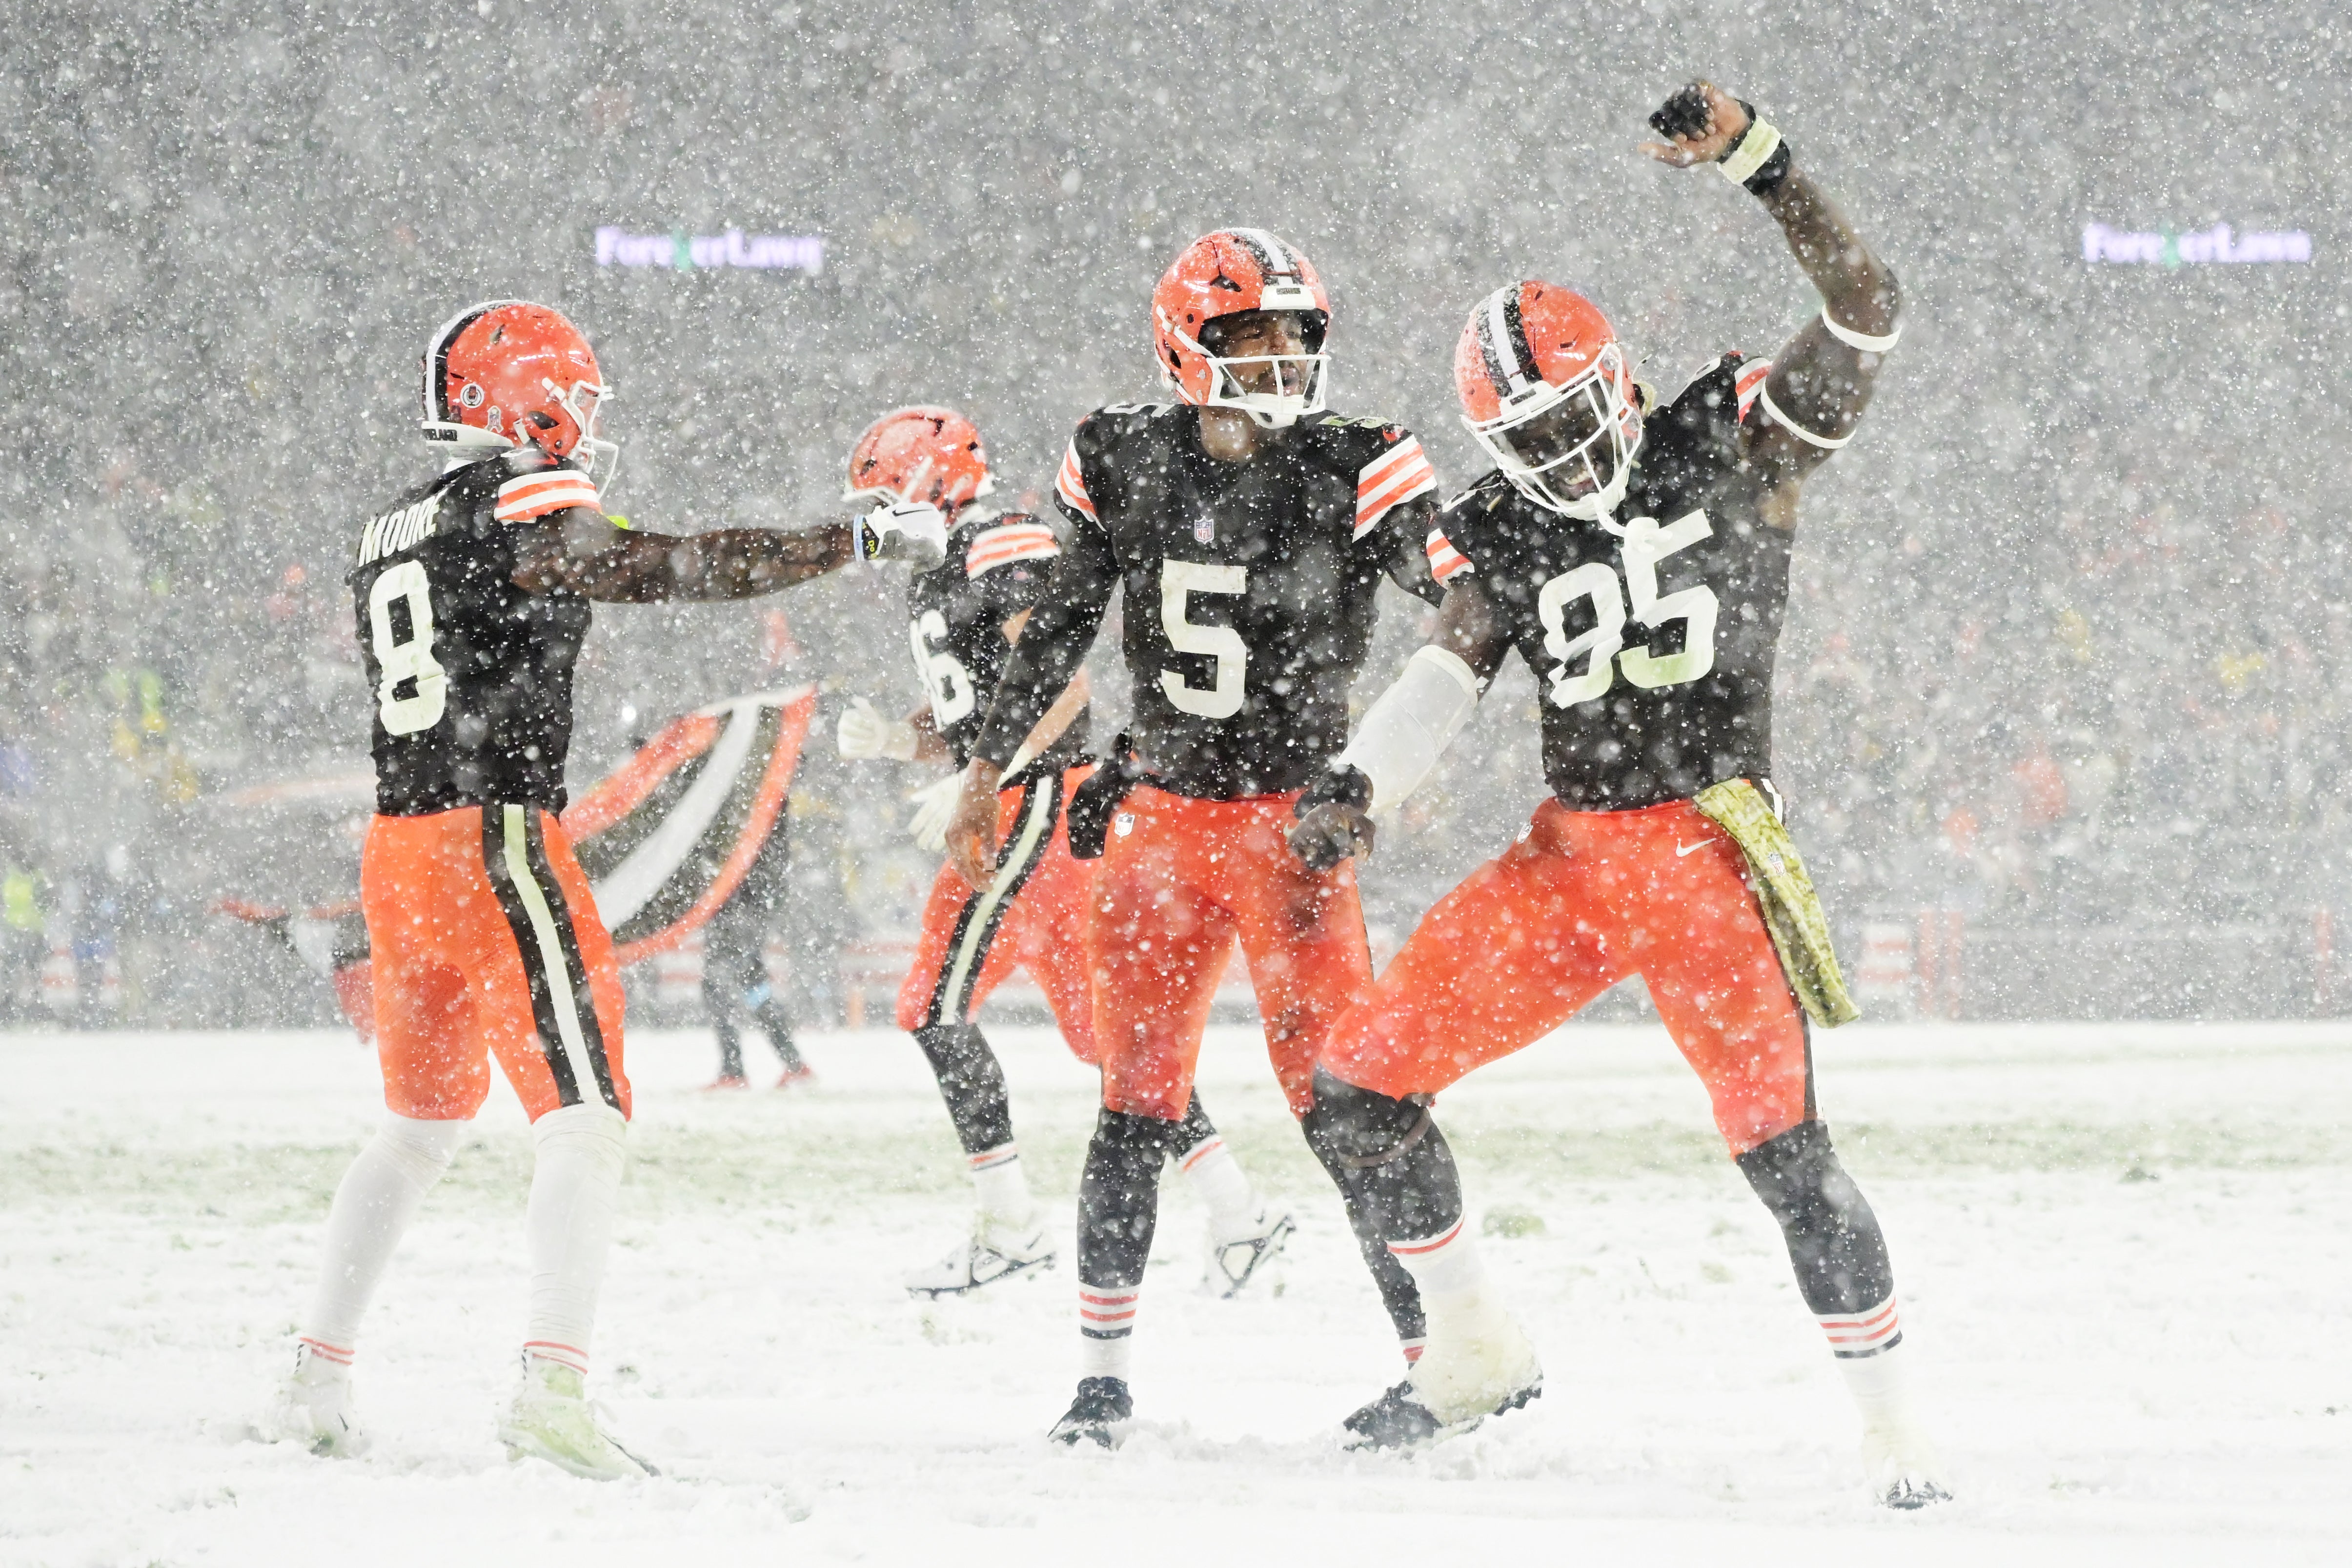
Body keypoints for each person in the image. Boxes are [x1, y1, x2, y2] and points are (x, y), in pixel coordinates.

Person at [1284, 83, 1945, 1506]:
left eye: (1580, 417)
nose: (1569, 455)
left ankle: (1899, 1443)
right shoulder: (1502, 526)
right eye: (1533, 437)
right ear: (1497, 449)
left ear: (1626, 380)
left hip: (1704, 847)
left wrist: (1766, 170)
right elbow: (1452, 667)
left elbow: (1867, 307)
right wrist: (1358, 781)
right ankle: (1472, 1352)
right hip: (1570, 860)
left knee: (1785, 1155)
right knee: (1354, 1089)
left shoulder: (1731, 433)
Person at [267, 300, 899, 1478]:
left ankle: (315, 1374)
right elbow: (663, 568)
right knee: (586, 1113)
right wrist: (843, 543)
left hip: (399, 847)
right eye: (575, 398)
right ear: (518, 397)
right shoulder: (516, 496)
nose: (586, 426)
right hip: (493, 842)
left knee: (415, 1131)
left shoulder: (386, 525)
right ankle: (551, 1386)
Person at [940, 230, 1445, 1445]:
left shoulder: (1357, 457)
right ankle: (1102, 1374)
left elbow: (1451, 582)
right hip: (1160, 823)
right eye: (1251, 336)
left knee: (1347, 1103)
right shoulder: (1120, 451)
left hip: (1289, 833)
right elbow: (1059, 624)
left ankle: (1439, 1357)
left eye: (1295, 336)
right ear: (1185, 343)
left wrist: (1501, 571)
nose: (1280, 360)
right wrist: (982, 768)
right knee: (1135, 1100)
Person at [836, 407, 1293, 1298]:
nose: (876, 521)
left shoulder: (999, 539)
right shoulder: (940, 577)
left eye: (884, 496)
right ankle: (1238, 1214)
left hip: (1034, 804)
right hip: (1035, 802)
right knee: (1107, 1038)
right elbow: (980, 704)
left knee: (932, 1003)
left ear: (929, 483)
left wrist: (983, 771)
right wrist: (903, 740)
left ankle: (1010, 1225)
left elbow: (1056, 683)